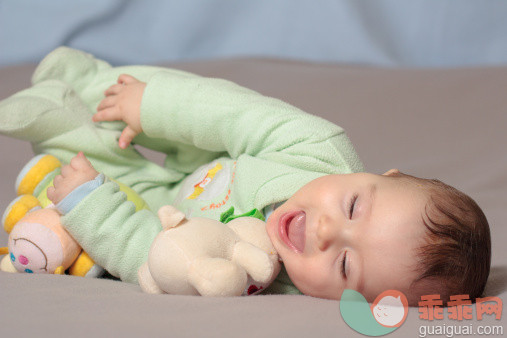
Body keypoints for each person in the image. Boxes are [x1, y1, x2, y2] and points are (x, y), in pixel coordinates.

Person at [1, 48, 490, 305]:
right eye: (354, 207)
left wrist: (91, 204)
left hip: (165, 209)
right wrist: (153, 106)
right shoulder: (321, 151)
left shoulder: (265, 279)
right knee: (164, 95)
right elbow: (239, 115)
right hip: (207, 150)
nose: (323, 231)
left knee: (87, 198)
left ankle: (59, 129)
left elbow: (156, 259)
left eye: (344, 266)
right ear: (385, 174)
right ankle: (90, 82)